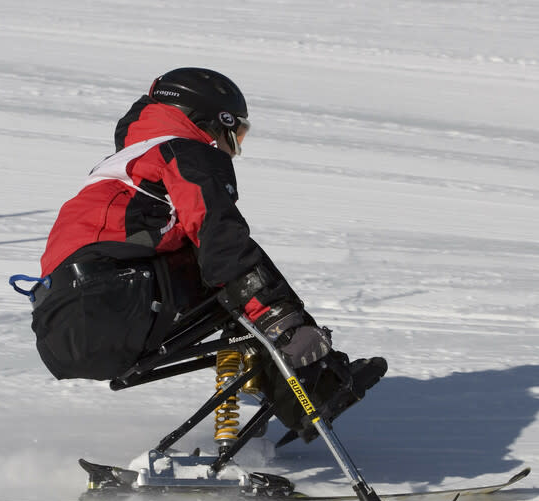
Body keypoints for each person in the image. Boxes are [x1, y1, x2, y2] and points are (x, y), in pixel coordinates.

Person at [29, 67, 386, 443]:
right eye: (236, 133)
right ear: (215, 122)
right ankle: (313, 386)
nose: (234, 146)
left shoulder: (130, 160)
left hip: (66, 323)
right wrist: (283, 321)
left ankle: (282, 395)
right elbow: (219, 238)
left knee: (225, 281)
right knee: (234, 272)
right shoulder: (185, 152)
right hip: (112, 300)